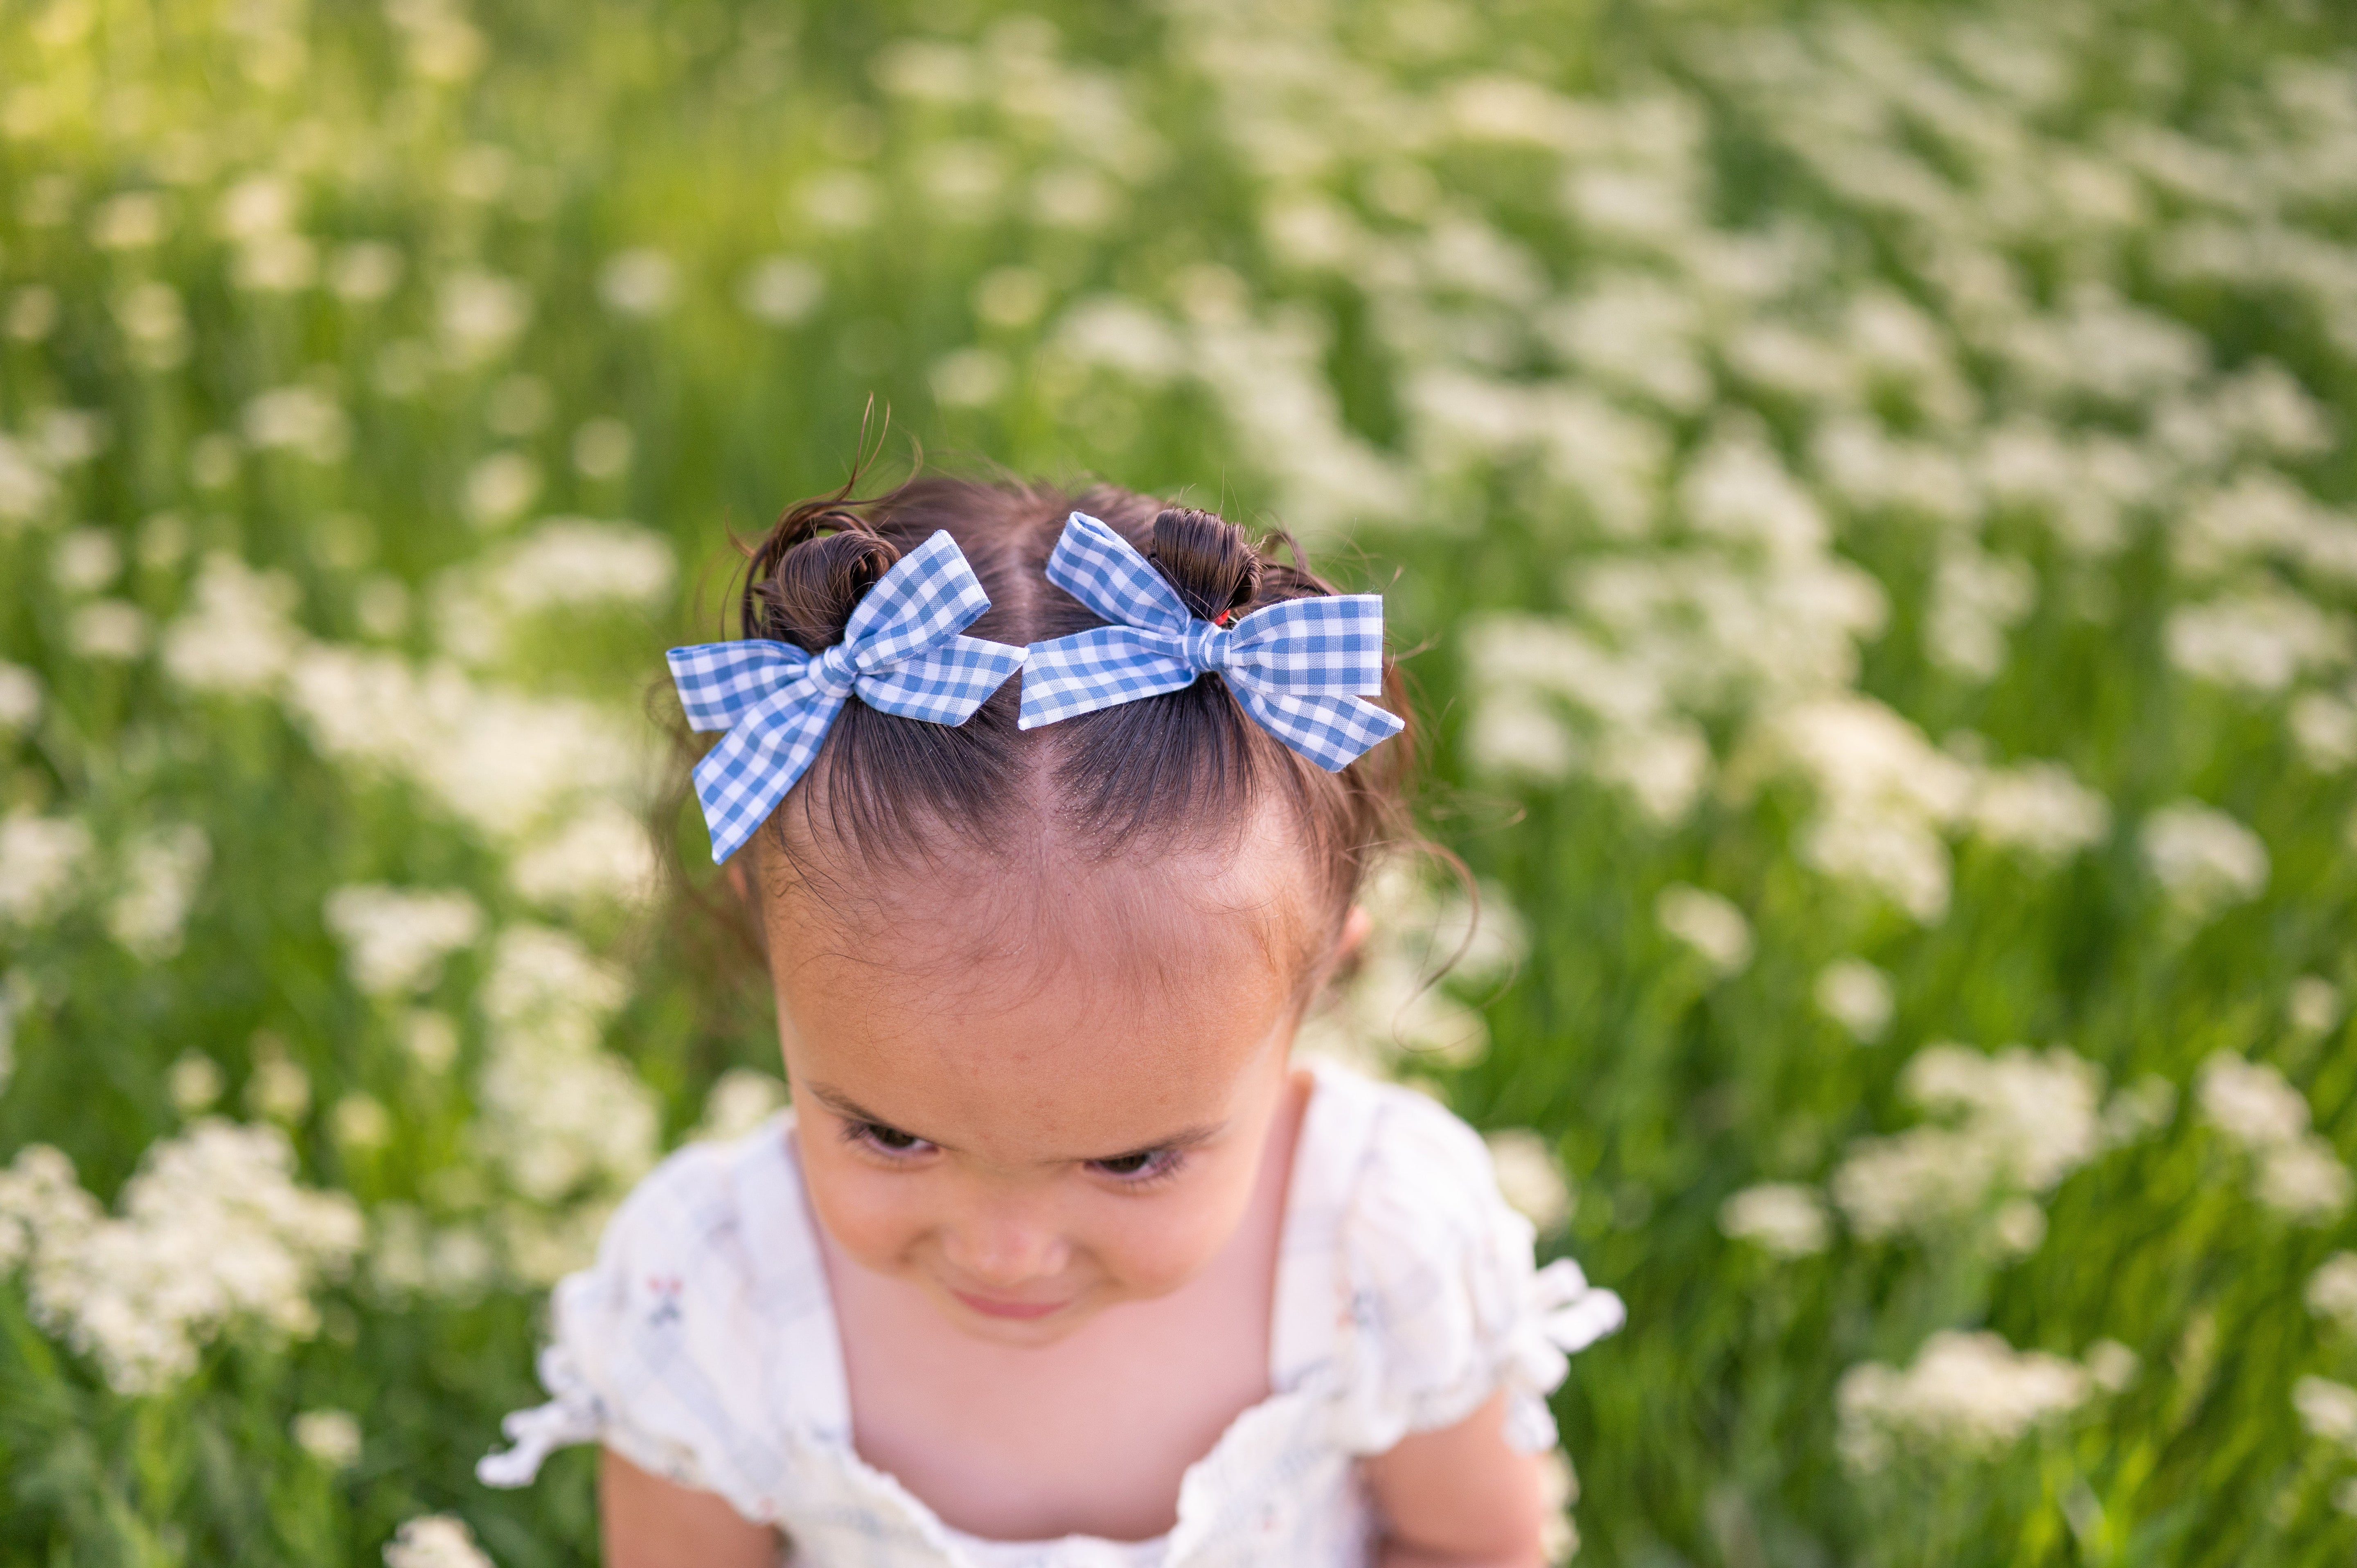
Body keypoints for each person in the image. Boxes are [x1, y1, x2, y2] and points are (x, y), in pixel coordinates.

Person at [477, 474, 1623, 1567]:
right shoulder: (716, 1291)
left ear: (1320, 986)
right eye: (891, 1136)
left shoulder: (1375, 1243)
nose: (1002, 1249)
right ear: (770, 946)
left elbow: (1469, 1542)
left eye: (1129, 1160)